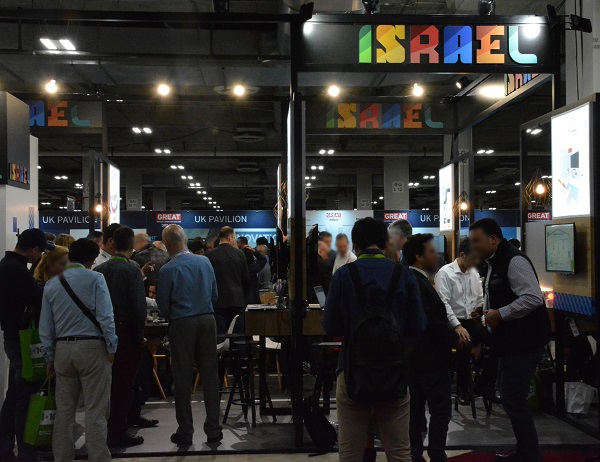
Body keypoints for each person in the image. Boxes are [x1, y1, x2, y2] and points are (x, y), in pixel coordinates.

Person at [324, 217, 426, 462]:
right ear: (385, 243)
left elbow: (330, 326)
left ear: (355, 246)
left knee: (350, 452)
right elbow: (419, 325)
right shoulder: (404, 275)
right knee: (400, 451)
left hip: (351, 370)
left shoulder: (343, 275)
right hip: (394, 371)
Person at [469, 218, 551, 462]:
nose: (473, 246)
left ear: (493, 239)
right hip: (509, 344)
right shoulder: (493, 262)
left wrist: (500, 314)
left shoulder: (513, 260)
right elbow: (502, 293)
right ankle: (526, 452)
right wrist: (484, 311)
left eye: (477, 241)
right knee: (510, 397)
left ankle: (530, 455)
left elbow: (532, 298)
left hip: (524, 343)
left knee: (512, 398)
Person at [39, 238, 117, 462]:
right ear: (92, 260)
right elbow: (105, 317)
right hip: (92, 347)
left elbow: (46, 326)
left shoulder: (52, 284)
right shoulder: (96, 278)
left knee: (64, 412)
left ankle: (62, 458)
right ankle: (98, 458)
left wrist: (49, 356)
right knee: (96, 410)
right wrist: (111, 346)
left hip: (63, 349)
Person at [157, 224, 223, 445]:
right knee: (210, 377)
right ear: (184, 240)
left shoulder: (167, 270)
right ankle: (214, 430)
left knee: (182, 379)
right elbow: (214, 294)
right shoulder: (205, 262)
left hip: (181, 324)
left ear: (167, 244)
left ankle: (185, 431)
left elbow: (163, 305)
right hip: (207, 320)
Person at [0, 229, 54, 462]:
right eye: (41, 251)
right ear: (34, 250)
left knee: (14, 395)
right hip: (21, 340)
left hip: (13, 338)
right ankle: (24, 449)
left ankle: (6, 447)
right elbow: (38, 297)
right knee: (23, 396)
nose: (41, 255)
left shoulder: (7, 266)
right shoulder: (17, 270)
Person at [404, 234, 457, 462]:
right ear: (418, 256)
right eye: (431, 251)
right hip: (430, 358)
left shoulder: (417, 280)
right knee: (440, 410)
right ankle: (435, 454)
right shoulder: (417, 283)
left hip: (417, 358)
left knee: (416, 410)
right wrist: (456, 340)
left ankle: (417, 453)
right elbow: (432, 323)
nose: (436, 255)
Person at [95, 226, 148, 448]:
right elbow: (139, 306)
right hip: (126, 332)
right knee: (125, 384)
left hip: (103, 332)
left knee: (107, 384)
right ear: (132, 245)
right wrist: (140, 335)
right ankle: (118, 430)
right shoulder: (132, 268)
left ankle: (106, 429)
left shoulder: (101, 269)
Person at [434, 238, 485, 403]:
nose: (476, 262)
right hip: (452, 324)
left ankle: (482, 383)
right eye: (473, 258)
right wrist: (457, 326)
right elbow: (444, 304)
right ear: (462, 255)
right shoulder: (445, 273)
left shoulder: (474, 274)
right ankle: (464, 389)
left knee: (495, 340)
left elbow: (479, 300)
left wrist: (481, 316)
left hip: (472, 321)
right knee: (464, 343)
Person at [206, 226, 249, 335]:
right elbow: (246, 279)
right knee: (238, 337)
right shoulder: (240, 254)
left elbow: (208, 281)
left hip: (218, 302)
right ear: (230, 238)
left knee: (220, 337)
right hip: (237, 301)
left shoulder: (210, 255)